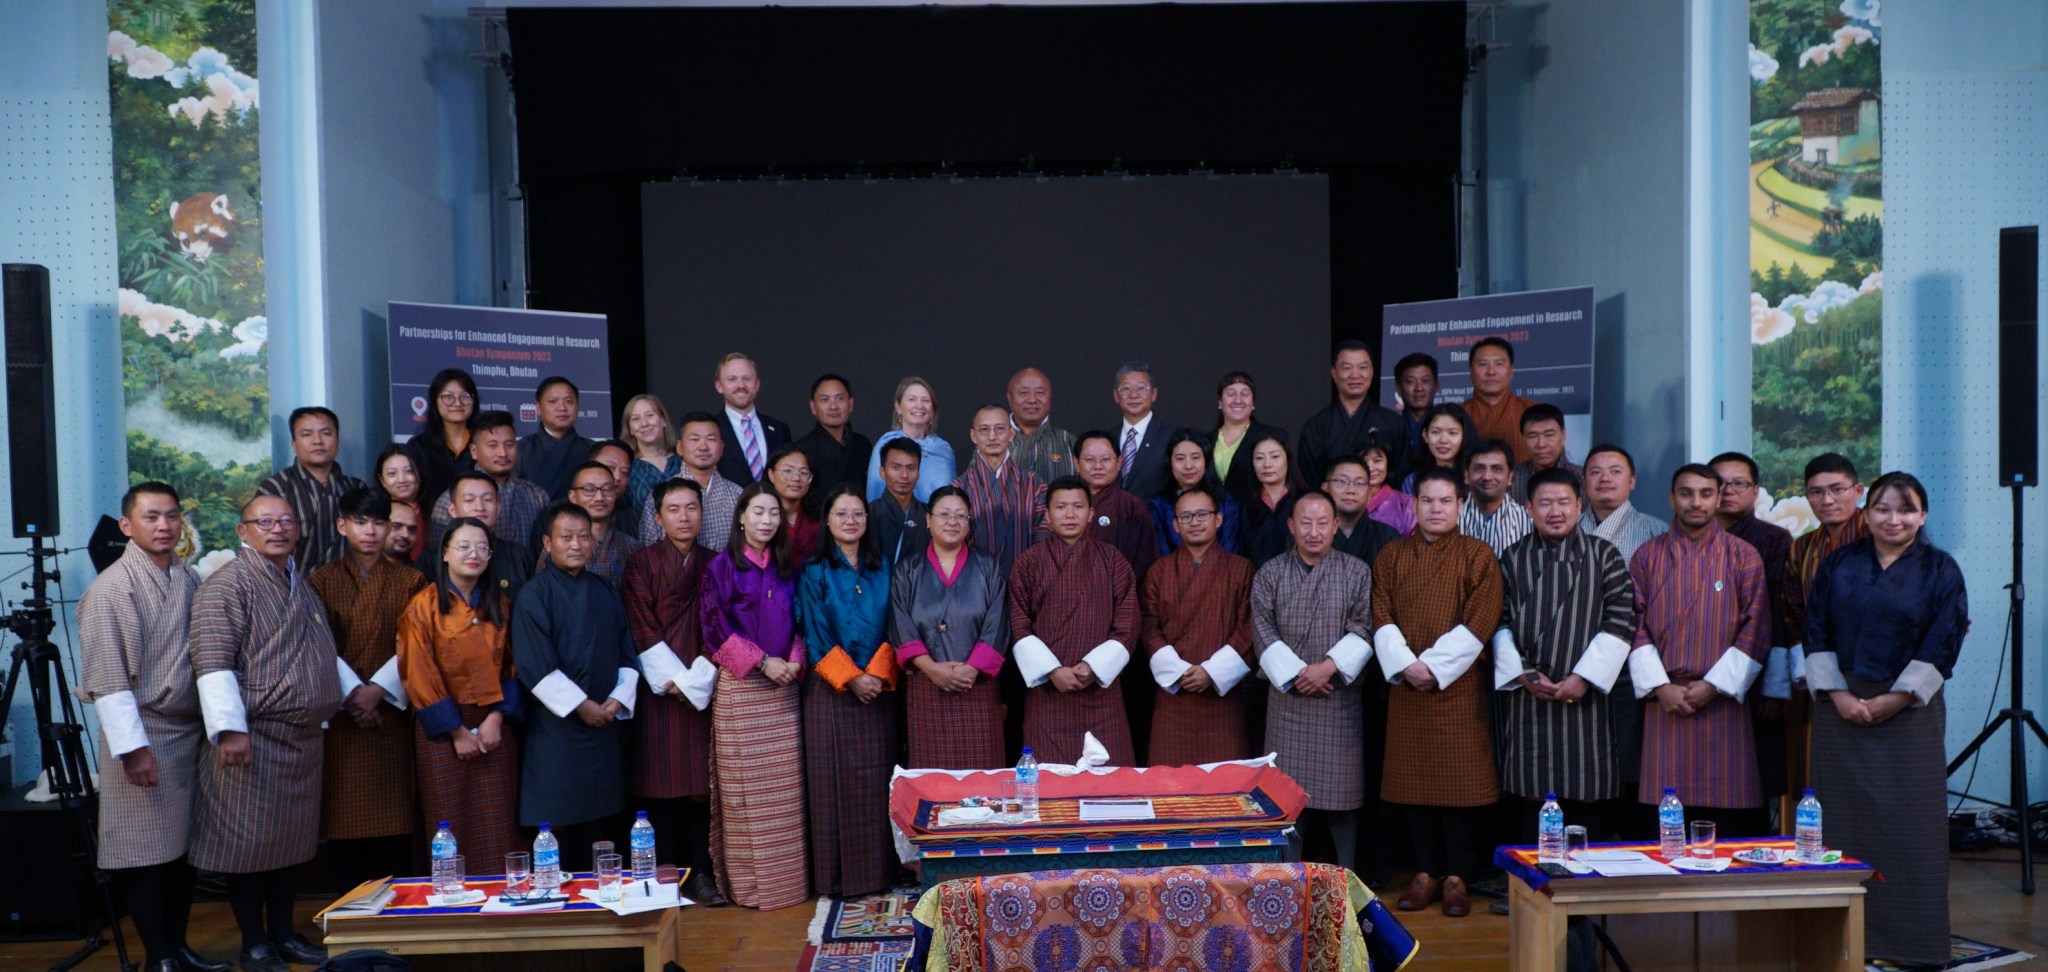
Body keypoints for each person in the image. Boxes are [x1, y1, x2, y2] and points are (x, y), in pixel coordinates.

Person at [1803, 472, 1968, 967]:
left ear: (1923, 515)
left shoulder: (1941, 570)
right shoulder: (1838, 564)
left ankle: (1915, 946)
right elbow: (1815, 630)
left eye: (1906, 510)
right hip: (1841, 710)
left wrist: (1897, 698)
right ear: (1866, 512)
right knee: (1841, 826)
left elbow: (1945, 638)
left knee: (1913, 829)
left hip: (1909, 714)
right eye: (1882, 509)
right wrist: (1839, 694)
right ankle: (1839, 942)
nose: (1893, 519)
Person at [189, 495, 340, 972]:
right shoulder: (227, 586)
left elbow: (319, 650)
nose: (277, 529)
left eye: (286, 521)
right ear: (243, 531)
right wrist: (230, 731)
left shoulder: (298, 582)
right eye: (265, 522)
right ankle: (253, 941)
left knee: (289, 846)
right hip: (252, 736)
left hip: (301, 738)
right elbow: (212, 661)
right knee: (248, 843)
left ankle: (281, 933)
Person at [78, 484, 225, 972]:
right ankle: (159, 955)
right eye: (151, 517)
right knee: (143, 851)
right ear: (127, 526)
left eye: (172, 516)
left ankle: (179, 946)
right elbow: (109, 679)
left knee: (181, 851)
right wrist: (133, 750)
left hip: (187, 730)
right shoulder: (110, 589)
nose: (164, 525)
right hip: (142, 730)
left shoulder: (186, 578)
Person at [1371, 468, 1503, 918]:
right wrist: (1408, 665)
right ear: (1414, 505)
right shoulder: (1391, 555)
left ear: (1461, 506)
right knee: (1413, 787)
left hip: (1457, 687)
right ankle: (1424, 873)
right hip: (1407, 686)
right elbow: (1381, 613)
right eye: (1427, 501)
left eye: (1445, 501)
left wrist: (1433, 667)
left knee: (1460, 789)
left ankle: (1456, 877)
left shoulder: (1478, 556)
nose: (1436, 509)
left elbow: (1481, 620)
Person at [1492, 468, 1635, 843]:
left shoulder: (1604, 555)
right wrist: (1525, 675)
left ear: (1579, 505)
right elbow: (1497, 621)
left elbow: (1622, 619)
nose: (1555, 511)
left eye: (1563, 502)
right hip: (1530, 696)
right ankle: (1532, 893)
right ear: (1528, 508)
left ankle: (1587, 896)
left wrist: (1583, 678)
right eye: (1545, 503)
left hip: (1586, 699)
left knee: (1589, 793)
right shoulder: (1512, 558)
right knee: (1533, 796)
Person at [1628, 465, 1770, 835]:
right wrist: (1660, 687)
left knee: (1729, 812)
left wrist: (1714, 685)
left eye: (1706, 493)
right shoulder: (1646, 556)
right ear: (1671, 498)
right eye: (1686, 493)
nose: (1696, 502)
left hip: (1722, 700)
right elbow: (1633, 624)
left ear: (1717, 498)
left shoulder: (1743, 556)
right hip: (1666, 701)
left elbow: (1756, 628)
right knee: (1665, 813)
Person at [308, 488, 428, 889]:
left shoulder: (411, 580)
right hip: (345, 720)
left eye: (381, 522)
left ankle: (398, 926)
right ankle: (349, 925)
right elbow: (319, 643)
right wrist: (356, 697)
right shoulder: (321, 581)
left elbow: (415, 643)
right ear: (343, 525)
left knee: (395, 830)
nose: (372, 531)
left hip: (391, 716)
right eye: (362, 522)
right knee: (345, 828)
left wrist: (378, 690)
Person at [397, 519, 524, 886]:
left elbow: (513, 664)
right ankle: (452, 903)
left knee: (498, 820)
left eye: (482, 547)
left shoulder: (499, 604)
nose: (473, 554)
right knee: (448, 819)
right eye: (464, 546)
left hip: (492, 727)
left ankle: (504, 899)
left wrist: (497, 719)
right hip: (443, 730)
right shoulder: (423, 605)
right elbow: (417, 671)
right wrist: (455, 731)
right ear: (445, 553)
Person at [1251, 490, 1375, 868]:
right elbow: (1261, 627)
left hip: (1336, 697)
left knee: (1342, 799)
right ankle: (1287, 875)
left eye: (1323, 522)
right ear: (1291, 526)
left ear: (1336, 525)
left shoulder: (1356, 571)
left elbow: (1364, 626)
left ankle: (1348, 874)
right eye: (1305, 522)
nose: (1314, 531)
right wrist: (1296, 674)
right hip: (1288, 701)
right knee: (1289, 798)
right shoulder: (1270, 572)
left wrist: (1327, 668)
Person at [701, 483, 810, 909]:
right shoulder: (721, 567)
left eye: (773, 514)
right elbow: (714, 630)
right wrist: (764, 662)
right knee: (745, 795)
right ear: (741, 516)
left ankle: (788, 885)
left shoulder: (787, 566)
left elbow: (800, 624)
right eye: (758, 512)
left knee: (785, 795)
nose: (766, 521)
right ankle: (751, 888)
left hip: (783, 692)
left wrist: (796, 660)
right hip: (743, 688)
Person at [513, 503, 639, 866]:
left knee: (599, 822)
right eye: (566, 537)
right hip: (557, 730)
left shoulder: (604, 590)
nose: (576, 545)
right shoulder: (534, 595)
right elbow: (535, 666)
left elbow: (627, 655)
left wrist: (615, 701)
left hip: (604, 726)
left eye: (584, 537)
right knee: (557, 821)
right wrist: (583, 706)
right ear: (546, 543)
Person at [620, 478, 723, 905]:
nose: (684, 517)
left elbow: (720, 625)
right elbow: (640, 625)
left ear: (703, 512)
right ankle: (662, 878)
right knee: (660, 786)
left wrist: (696, 680)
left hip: (702, 688)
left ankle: (702, 874)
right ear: (658, 517)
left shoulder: (716, 563)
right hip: (658, 692)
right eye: (674, 509)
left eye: (691, 508)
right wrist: (676, 681)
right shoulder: (640, 564)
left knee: (700, 788)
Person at [797, 485, 900, 898]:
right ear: (827, 520)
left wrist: (874, 673)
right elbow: (814, 633)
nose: (851, 521)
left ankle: (879, 875)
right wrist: (851, 677)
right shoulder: (815, 570)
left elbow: (897, 623)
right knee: (832, 785)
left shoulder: (883, 566)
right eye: (842, 514)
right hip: (831, 691)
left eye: (858, 514)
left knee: (877, 784)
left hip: (879, 689)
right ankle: (837, 880)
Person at [1008, 476, 1139, 766]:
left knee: (1108, 789)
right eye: (1061, 507)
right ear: (1047, 515)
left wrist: (1092, 668)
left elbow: (1128, 625)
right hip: (1048, 691)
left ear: (1091, 513)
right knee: (1051, 784)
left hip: (1101, 692)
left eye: (1078, 506)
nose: (1070, 514)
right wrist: (1053, 670)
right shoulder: (1028, 562)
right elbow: (1019, 624)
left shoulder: (1113, 560)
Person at [1578, 443, 1667, 823]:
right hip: (1577, 667)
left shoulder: (1655, 530)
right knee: (1584, 764)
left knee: (1632, 763)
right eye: (1596, 471)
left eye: (1615, 471)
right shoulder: (1569, 528)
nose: (1605, 479)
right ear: (1583, 482)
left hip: (1633, 666)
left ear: (1631, 482)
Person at [1775, 453, 1868, 814]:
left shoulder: (1879, 538)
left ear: (1857, 491)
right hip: (1820, 675)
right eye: (1816, 492)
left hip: (1875, 672)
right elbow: (1792, 609)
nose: (1827, 501)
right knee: (1815, 766)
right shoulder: (1802, 547)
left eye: (1836, 490)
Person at [892, 486, 1010, 769]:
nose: (952, 522)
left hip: (976, 685)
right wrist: (932, 669)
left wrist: (971, 669)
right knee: (933, 777)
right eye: (944, 515)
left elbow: (998, 623)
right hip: (926, 685)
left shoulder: (988, 567)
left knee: (981, 777)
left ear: (969, 522)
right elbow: (900, 624)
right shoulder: (908, 569)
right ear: (928, 520)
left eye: (961, 516)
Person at [1709, 450, 1798, 819]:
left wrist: (1775, 687)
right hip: (1697, 673)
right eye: (1721, 483)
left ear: (1755, 491)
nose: (1729, 491)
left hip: (1755, 676)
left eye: (1739, 483)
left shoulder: (1774, 540)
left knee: (1754, 778)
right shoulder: (1692, 535)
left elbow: (1780, 614)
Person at [1141, 485, 1256, 766]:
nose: (1194, 522)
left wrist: (1211, 672)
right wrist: (1178, 671)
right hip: (1173, 693)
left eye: (1202, 514)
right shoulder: (1159, 571)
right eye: (1186, 517)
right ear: (1175, 525)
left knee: (1224, 786)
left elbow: (1249, 627)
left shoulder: (1241, 569)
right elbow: (1147, 624)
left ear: (1218, 519)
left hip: (1221, 695)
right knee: (1170, 787)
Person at [256, 406, 367, 570]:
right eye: (307, 434)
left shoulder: (356, 488)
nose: (318, 441)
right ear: (293, 444)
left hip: (348, 588)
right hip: (291, 588)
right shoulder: (274, 489)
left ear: (338, 441)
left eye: (326, 433)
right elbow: (260, 546)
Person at [429, 410, 550, 555]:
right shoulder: (449, 499)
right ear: (474, 451)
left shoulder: (537, 496)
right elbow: (438, 554)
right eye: (493, 446)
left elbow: (546, 551)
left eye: (509, 445)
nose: (503, 453)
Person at [1297, 341, 1409, 487]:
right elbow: (1313, 477)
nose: (1355, 375)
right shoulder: (1316, 427)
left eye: (1362, 367)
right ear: (1334, 373)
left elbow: (1401, 472)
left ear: (1372, 372)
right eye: (1347, 368)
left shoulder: (1393, 422)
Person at [952, 403, 1047, 573]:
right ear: (973, 436)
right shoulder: (958, 488)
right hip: (975, 583)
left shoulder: (1034, 484)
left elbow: (1044, 536)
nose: (992, 436)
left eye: (1000, 429)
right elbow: (953, 543)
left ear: (1011, 433)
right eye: (984, 430)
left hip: (1024, 581)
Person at [639, 412, 743, 551]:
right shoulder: (660, 495)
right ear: (679, 447)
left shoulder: (737, 495)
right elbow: (649, 548)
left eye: (711, 439)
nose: (703, 447)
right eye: (694, 439)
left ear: (721, 447)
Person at [1076, 429, 1160, 580]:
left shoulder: (1132, 507)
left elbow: (1144, 564)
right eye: (1089, 460)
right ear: (1076, 463)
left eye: (1105, 459)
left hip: (1116, 596)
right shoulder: (1067, 504)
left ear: (1119, 462)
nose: (1098, 466)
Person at [444, 470, 535, 602]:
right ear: (453, 510)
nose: (480, 507)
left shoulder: (520, 557)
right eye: (469, 500)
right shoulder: (435, 558)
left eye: (487, 499)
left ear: (498, 508)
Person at [1148, 428, 1241, 555]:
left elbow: (1230, 550)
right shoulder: (1158, 506)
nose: (1188, 465)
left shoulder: (1225, 502)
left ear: (1206, 461)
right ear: (1170, 464)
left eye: (1195, 458)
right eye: (1180, 459)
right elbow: (1161, 555)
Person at [865, 377, 955, 502]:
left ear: (933, 410)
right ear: (898, 407)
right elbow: (876, 495)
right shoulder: (886, 444)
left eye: (925, 400)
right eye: (912, 399)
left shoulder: (944, 450)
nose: (919, 406)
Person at [711, 352, 791, 486]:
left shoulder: (779, 430)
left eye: (747, 378)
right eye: (732, 379)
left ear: (757, 384)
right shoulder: (711, 430)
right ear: (719, 386)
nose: (741, 385)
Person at [794, 373, 875, 501]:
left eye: (840, 398)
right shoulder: (802, 449)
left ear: (850, 404)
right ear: (813, 407)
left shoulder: (862, 445)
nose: (833, 406)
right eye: (825, 400)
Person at [409, 368, 479, 510]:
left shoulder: (483, 444)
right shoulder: (419, 447)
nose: (457, 403)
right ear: (435, 402)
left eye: (465, 396)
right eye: (448, 397)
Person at [518, 376, 597, 499]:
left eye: (569, 401)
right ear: (538, 408)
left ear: (578, 407)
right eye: (553, 401)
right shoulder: (520, 449)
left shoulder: (593, 449)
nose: (562, 408)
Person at [565, 460, 643, 586]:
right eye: (589, 489)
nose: (599, 497)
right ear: (573, 497)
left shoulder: (632, 548)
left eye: (607, 489)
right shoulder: (559, 546)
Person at [1211, 370, 1287, 499]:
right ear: (1220, 402)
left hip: (1254, 514)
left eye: (1245, 394)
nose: (1238, 400)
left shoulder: (1271, 436)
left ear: (1253, 402)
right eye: (1231, 394)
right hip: (1213, 515)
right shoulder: (1205, 441)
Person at [1462, 337, 1537, 464]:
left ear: (1511, 371)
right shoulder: (1458, 415)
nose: (1491, 372)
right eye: (1482, 364)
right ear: (1470, 371)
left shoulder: (1532, 410)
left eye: (1499, 364)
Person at [1236, 429, 1306, 566]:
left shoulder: (1305, 501)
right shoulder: (1243, 505)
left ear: (1288, 458)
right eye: (1259, 458)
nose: (1267, 464)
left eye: (1275, 457)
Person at [1111, 362, 1178, 500]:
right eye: (1126, 389)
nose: (1134, 395)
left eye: (1141, 388)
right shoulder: (1108, 438)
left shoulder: (1173, 437)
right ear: (1116, 396)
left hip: (1155, 519)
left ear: (1154, 394)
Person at [1458, 439, 1531, 556]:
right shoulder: (1450, 520)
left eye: (1496, 469)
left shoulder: (1528, 522)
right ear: (1466, 475)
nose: (1487, 477)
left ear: (1510, 477)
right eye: (1479, 468)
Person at [1324, 457, 1401, 567]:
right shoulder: (1312, 535)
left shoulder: (1387, 536)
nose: (1351, 490)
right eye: (1341, 481)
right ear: (1325, 489)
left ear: (1369, 494)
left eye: (1359, 483)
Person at [1006, 367, 1077, 482]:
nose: (1032, 400)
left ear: (1050, 397)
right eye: (1024, 393)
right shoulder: (992, 440)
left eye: (1040, 393)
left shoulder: (1068, 441)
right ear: (1009, 397)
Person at [868, 438, 931, 563]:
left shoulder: (929, 514)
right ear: (882, 472)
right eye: (896, 467)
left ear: (919, 473)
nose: (904, 475)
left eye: (911, 468)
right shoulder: (868, 513)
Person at [621, 393, 683, 516]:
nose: (644, 423)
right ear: (630, 429)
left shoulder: (683, 460)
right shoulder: (626, 467)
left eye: (649, 415)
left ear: (663, 420)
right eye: (636, 419)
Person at [1509, 403, 1580, 504]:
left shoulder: (1582, 478)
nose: (1541, 444)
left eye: (1549, 435)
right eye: (1533, 436)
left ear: (1563, 436)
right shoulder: (1511, 479)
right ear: (1523, 440)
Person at [1401, 403, 1476, 492]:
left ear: (1464, 436)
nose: (1443, 440)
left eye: (1452, 433)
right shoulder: (1412, 481)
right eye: (1436, 432)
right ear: (1425, 435)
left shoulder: (1475, 478)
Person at [763, 445, 820, 560]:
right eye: (788, 471)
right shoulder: (761, 515)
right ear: (771, 474)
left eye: (804, 473)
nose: (796, 478)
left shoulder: (820, 517)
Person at [588, 438, 642, 539]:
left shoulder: (633, 518)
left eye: (624, 472)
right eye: (610, 468)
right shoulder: (563, 513)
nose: (617, 477)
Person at [1360, 438, 1415, 535]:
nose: (1371, 468)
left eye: (1377, 461)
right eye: (1364, 463)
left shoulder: (1406, 503)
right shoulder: (1344, 501)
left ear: (1388, 463)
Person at [1392, 352, 1439, 462]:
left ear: (1436, 386)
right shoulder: (1391, 427)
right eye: (1410, 382)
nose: (1419, 388)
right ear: (1398, 389)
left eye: (1425, 381)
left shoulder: (1447, 427)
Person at [376, 442, 428, 538]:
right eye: (392, 473)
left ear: (420, 474)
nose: (401, 479)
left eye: (409, 471)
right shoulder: (376, 513)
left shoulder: (434, 513)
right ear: (382, 480)